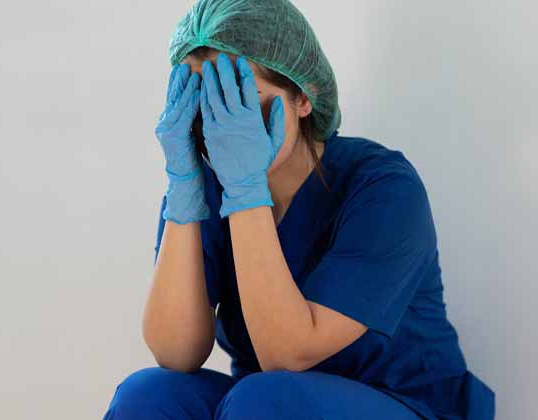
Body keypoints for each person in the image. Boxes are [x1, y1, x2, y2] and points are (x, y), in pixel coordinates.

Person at [102, 1, 495, 419]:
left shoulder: (383, 187)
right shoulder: (207, 188)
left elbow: (287, 354)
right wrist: (182, 188)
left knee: (265, 398)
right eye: (207, 103)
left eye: (242, 99)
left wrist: (246, 190)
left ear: (303, 97)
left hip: (401, 404)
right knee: (148, 395)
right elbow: (176, 351)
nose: (222, 126)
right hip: (264, 404)